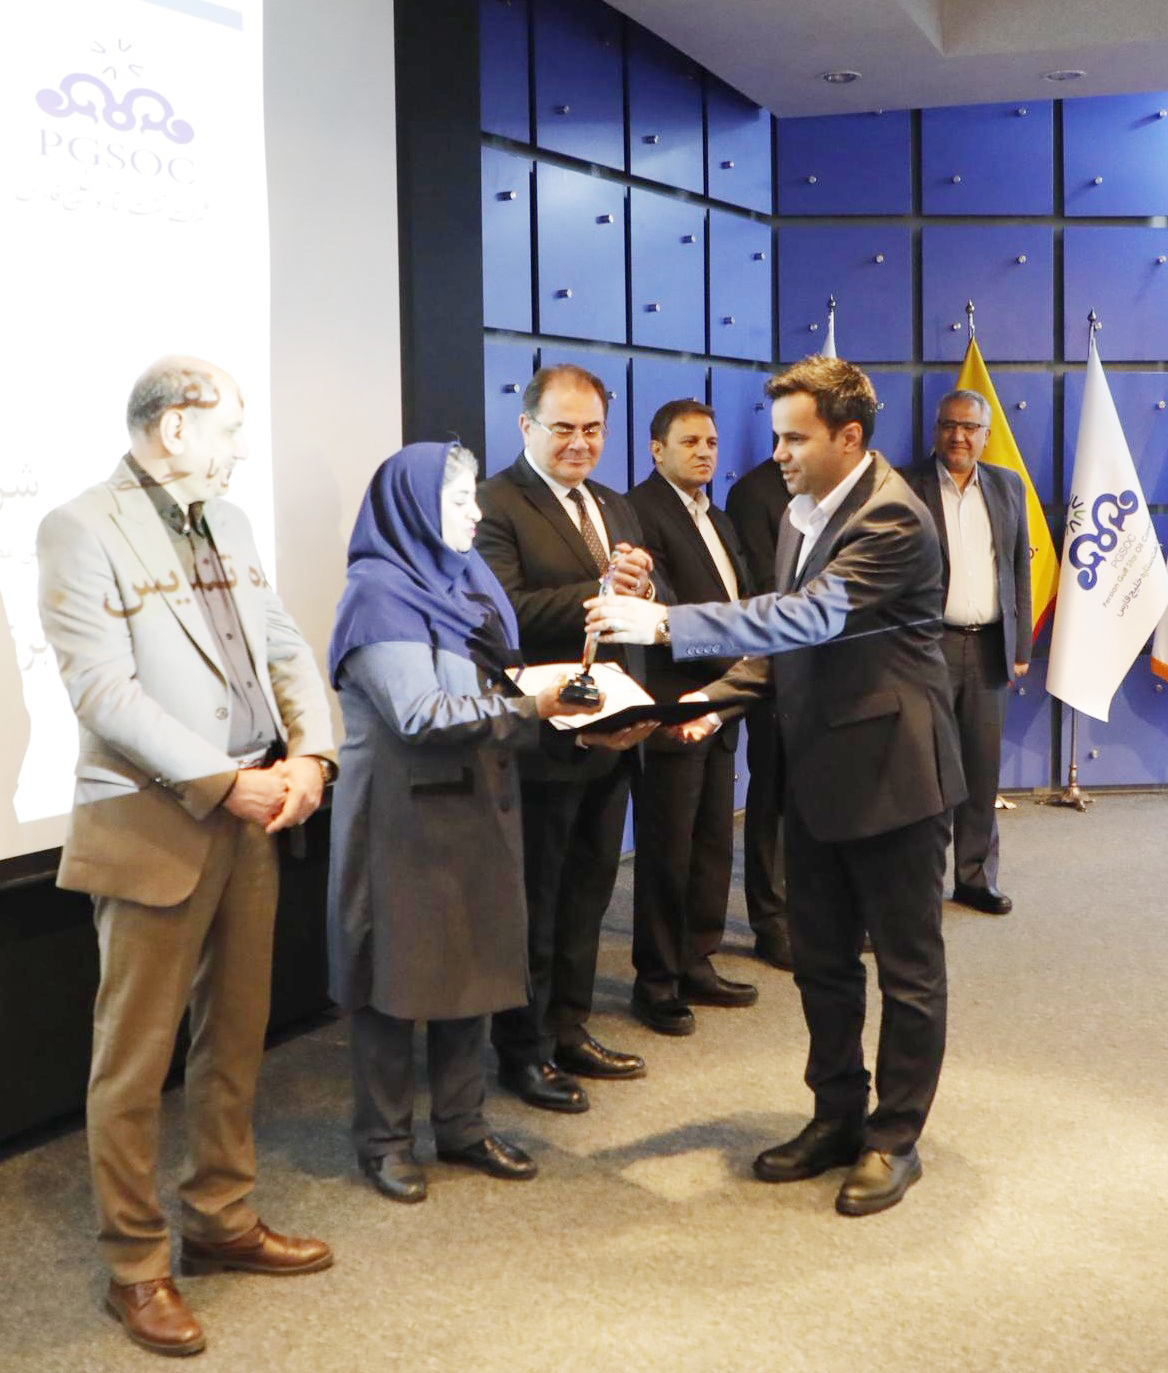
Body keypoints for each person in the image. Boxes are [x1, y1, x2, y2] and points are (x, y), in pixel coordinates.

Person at [585, 355, 966, 1217]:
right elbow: (784, 648)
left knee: (908, 972)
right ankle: (836, 1116)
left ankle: (894, 1139)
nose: (778, 454)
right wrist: (703, 705)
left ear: (849, 437)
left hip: (896, 780)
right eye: (778, 436)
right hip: (818, 775)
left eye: (796, 438)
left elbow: (811, 614)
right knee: (823, 963)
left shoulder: (892, 516)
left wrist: (665, 622)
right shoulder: (802, 512)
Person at [37, 356, 337, 1357]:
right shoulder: (78, 527)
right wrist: (223, 779)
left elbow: (284, 646)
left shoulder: (233, 522)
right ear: (175, 428)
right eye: (229, 428)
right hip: (153, 818)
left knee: (236, 1033)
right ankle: (135, 1264)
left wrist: (313, 752)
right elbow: (102, 693)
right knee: (133, 1060)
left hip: (253, 812)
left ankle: (220, 1218)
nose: (241, 446)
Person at [326, 442, 604, 1203]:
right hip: (403, 822)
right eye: (457, 500)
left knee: (472, 969)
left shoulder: (468, 577)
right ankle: (384, 1141)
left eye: (475, 495)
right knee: (394, 983)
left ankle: (462, 1125)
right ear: (412, 507)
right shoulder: (377, 594)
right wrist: (534, 707)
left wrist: (578, 712)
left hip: (481, 801)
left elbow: (498, 680)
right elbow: (421, 714)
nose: (476, 513)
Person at [476, 363, 658, 1113]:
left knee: (590, 891)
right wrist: (603, 592)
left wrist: (644, 589)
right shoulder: (495, 504)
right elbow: (506, 611)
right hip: (541, 734)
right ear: (526, 426)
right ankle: (523, 1050)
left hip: (611, 729)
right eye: (563, 428)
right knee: (537, 900)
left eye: (593, 429)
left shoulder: (615, 504)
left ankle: (571, 1028)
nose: (580, 443)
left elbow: (641, 608)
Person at [626, 400, 757, 1035]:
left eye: (710, 441)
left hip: (724, 700)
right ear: (657, 449)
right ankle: (656, 982)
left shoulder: (720, 518)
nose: (704, 452)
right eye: (689, 442)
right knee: (667, 850)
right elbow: (666, 612)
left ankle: (696, 960)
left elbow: (743, 597)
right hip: (674, 703)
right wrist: (743, 656)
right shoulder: (638, 512)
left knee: (712, 843)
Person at [901, 390, 1031, 916]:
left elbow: (1018, 567)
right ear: (935, 429)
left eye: (969, 427)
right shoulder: (904, 486)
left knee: (981, 770)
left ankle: (975, 878)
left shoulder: (1007, 485)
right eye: (949, 425)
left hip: (990, 648)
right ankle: (920, 884)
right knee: (927, 773)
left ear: (986, 435)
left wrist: (1021, 645)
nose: (958, 435)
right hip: (927, 648)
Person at [725, 442, 794, 970]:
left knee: (816, 800)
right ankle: (773, 922)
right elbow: (761, 588)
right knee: (772, 794)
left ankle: (816, 914)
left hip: (833, 673)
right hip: (776, 666)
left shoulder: (838, 490)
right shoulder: (754, 492)